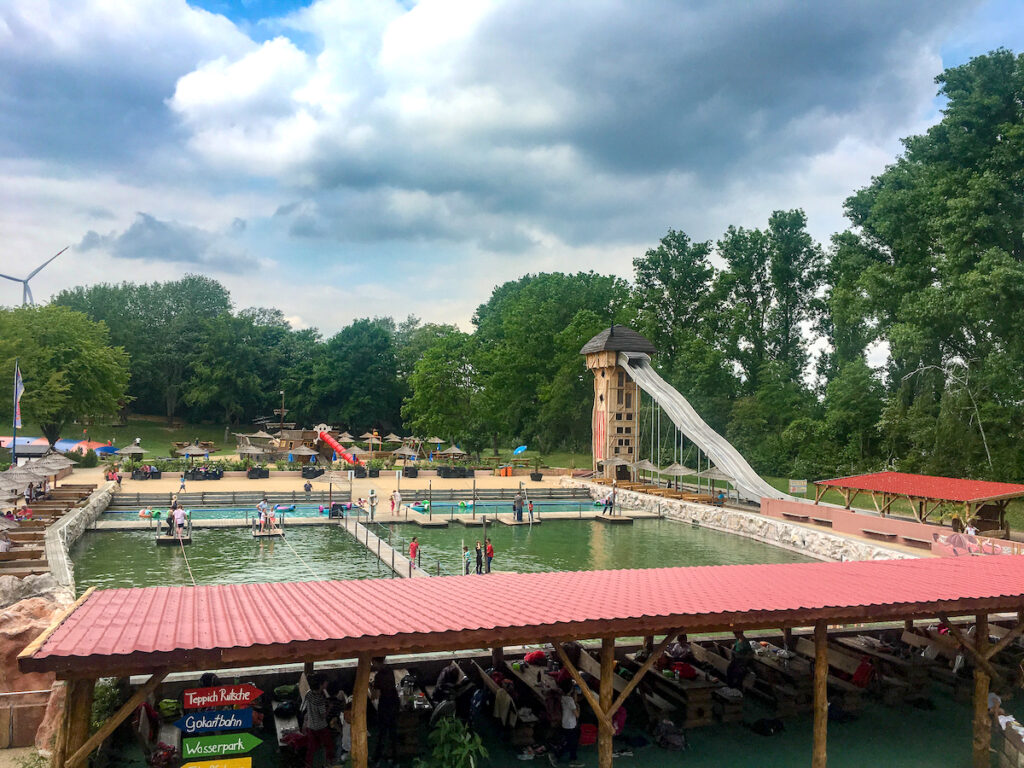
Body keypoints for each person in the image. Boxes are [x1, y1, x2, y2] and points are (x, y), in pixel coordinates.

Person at [370, 657, 399, 766]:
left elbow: (375, 696)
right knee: (393, 732)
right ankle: (394, 758)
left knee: (382, 733)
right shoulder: (389, 670)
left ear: (376, 662)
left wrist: (372, 687)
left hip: (385, 705)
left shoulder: (379, 676)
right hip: (394, 702)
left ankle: (377, 758)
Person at [302, 672, 333, 768]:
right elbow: (323, 716)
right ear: (321, 684)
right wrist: (329, 707)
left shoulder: (308, 694)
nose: (327, 684)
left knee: (311, 747)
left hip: (310, 725)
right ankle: (329, 761)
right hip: (320, 727)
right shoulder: (320, 700)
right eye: (326, 682)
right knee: (329, 744)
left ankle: (308, 764)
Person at [549, 680, 582, 767]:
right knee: (573, 744)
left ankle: (557, 754)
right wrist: (578, 707)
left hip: (565, 723)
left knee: (568, 741)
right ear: (571, 689)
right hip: (571, 725)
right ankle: (571, 760)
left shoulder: (563, 697)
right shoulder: (570, 700)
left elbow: (573, 701)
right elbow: (577, 715)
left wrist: (574, 696)